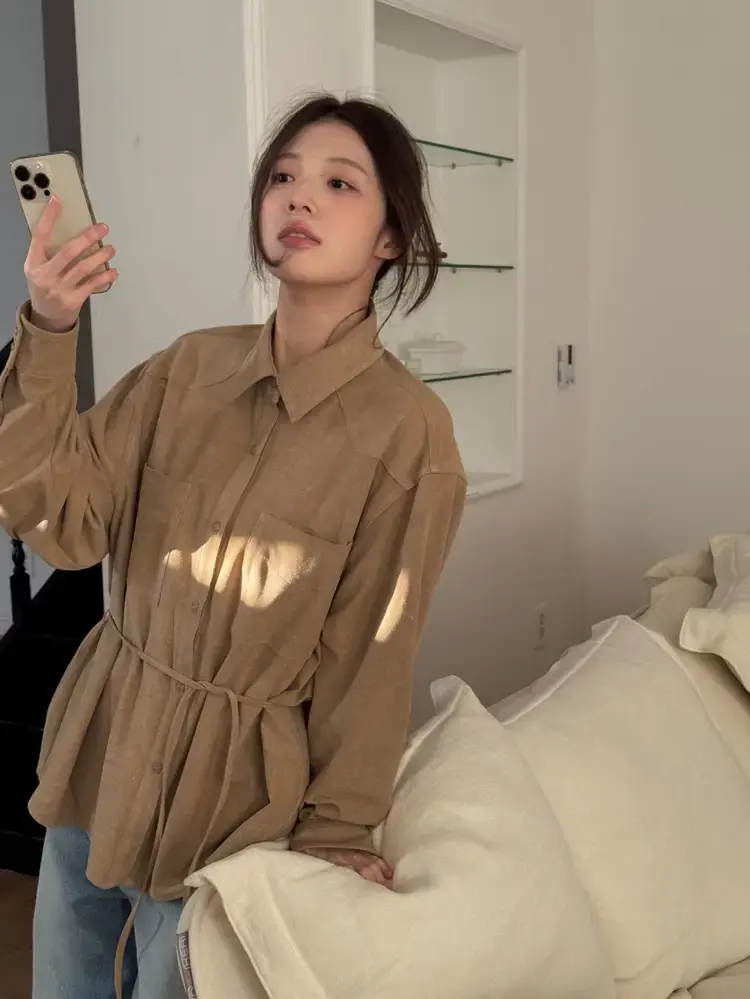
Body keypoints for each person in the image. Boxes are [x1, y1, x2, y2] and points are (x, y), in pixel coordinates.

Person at [0, 93, 466, 999]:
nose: (300, 196)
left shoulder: (409, 434)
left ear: (391, 236)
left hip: (233, 807)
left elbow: (372, 652)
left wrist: (339, 827)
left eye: (339, 183)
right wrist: (51, 328)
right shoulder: (187, 368)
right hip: (104, 749)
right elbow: (62, 521)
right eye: (283, 176)